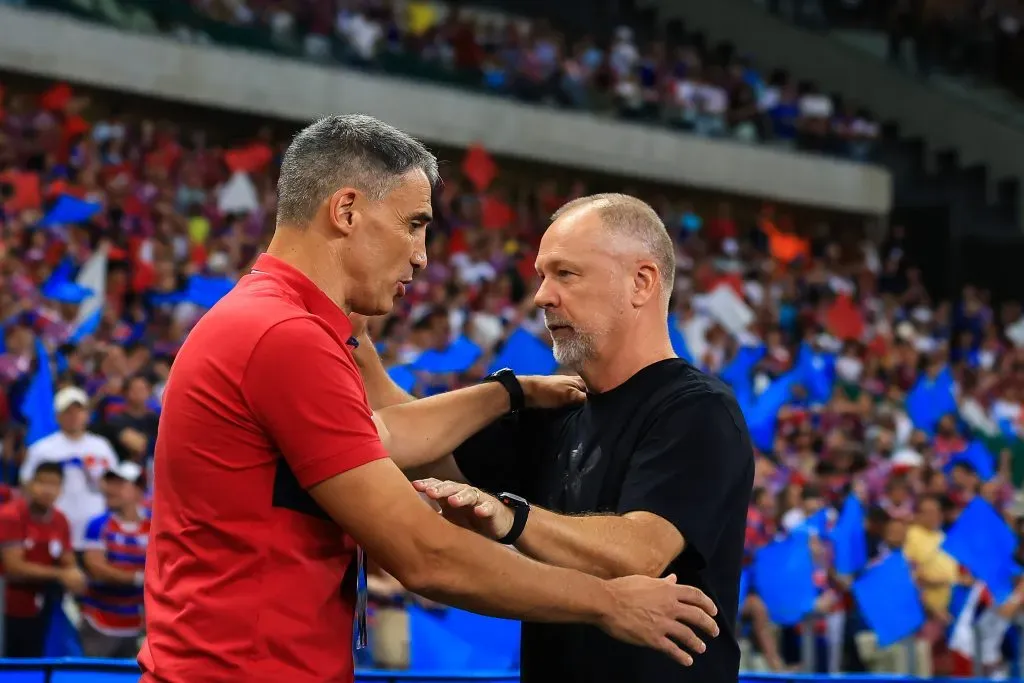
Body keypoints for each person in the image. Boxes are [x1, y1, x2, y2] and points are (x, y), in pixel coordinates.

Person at [141, 116, 719, 683]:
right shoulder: (284, 336)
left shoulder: (276, 323)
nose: (421, 254)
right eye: (414, 224)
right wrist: (607, 602)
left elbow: (391, 435)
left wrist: (506, 394)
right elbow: (425, 553)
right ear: (346, 211)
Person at [356, 193, 754, 682]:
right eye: (542, 275)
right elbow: (408, 440)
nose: (542, 295)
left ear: (641, 282)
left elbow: (639, 552)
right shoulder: (558, 408)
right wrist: (350, 325)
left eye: (566, 274)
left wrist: (512, 517)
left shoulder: (698, 409)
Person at [0, 462, 87, 657]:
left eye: (54, 484)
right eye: (42, 482)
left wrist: (74, 575)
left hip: (40, 608)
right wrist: (61, 574)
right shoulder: (10, 515)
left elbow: (67, 560)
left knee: (33, 663)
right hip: (6, 609)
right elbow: (14, 568)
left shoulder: (60, 519)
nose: (47, 490)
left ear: (61, 489)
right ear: (30, 484)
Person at [19, 385, 119, 551]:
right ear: (57, 416)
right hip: (55, 528)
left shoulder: (102, 447)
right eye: (67, 412)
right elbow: (26, 486)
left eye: (78, 411)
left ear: (87, 414)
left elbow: (115, 486)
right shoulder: (41, 449)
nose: (73, 417)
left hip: (94, 531)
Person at [80, 461, 149, 658]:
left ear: (138, 490)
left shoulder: (155, 525)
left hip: (139, 627)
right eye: (110, 483)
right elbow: (96, 568)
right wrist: (140, 579)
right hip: (99, 625)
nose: (111, 489)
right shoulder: (98, 524)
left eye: (121, 484)